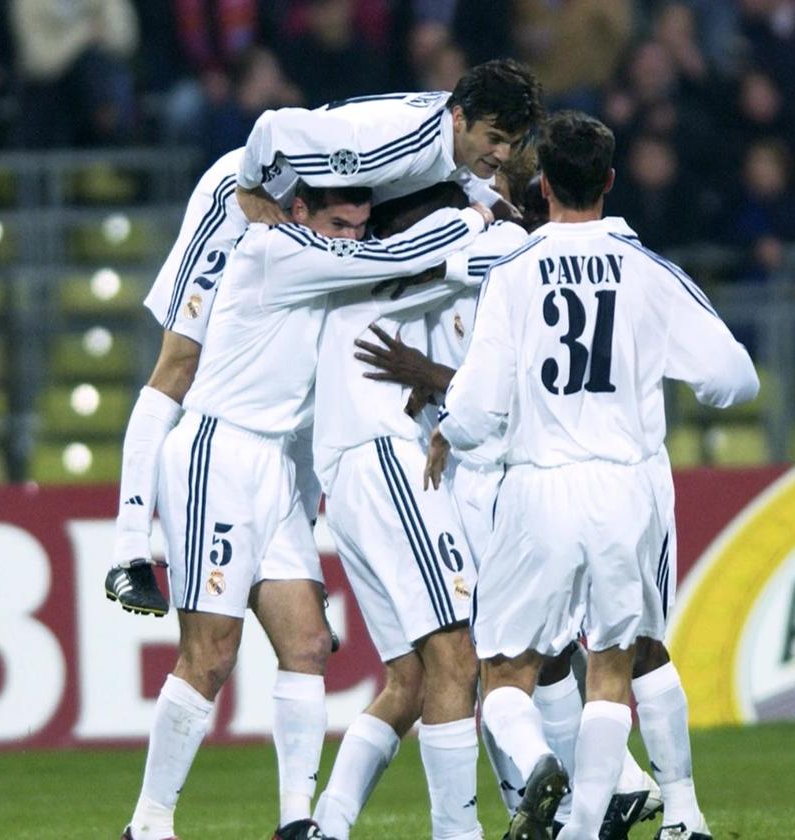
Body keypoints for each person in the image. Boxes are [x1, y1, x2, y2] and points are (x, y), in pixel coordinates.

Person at [119, 181, 491, 840]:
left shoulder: (327, 264)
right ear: (299, 214)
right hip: (218, 450)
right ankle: (149, 823)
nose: (350, 236)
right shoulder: (275, 251)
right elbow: (396, 261)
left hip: (276, 469)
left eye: (358, 225)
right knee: (211, 654)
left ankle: (297, 823)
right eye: (338, 222)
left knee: (311, 646)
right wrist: (482, 211)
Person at [106, 58, 543, 616]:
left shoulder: (456, 145)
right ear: (458, 120)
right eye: (495, 139)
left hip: (326, 223)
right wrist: (255, 191)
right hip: (243, 203)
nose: (501, 154)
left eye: (511, 142)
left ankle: (288, 560)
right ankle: (129, 554)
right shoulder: (389, 142)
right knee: (179, 365)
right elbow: (269, 131)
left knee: (317, 370)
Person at [424, 111, 758, 840]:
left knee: (505, 672)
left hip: (538, 486)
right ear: (609, 180)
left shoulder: (512, 273)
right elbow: (735, 377)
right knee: (614, 665)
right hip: (623, 484)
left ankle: (540, 761)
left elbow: (478, 408)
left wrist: (448, 433)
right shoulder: (647, 270)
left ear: (541, 184)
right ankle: (592, 826)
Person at [307, 183, 526, 840]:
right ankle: (458, 833)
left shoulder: (328, 277)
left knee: (409, 677)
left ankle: (326, 823)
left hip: (347, 480)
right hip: (381, 464)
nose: (353, 235)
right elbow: (490, 264)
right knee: (459, 652)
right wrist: (497, 219)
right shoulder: (381, 268)